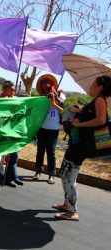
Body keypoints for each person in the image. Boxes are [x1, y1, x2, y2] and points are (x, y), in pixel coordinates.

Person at [52, 76, 111, 221]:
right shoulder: (95, 101)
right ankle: (67, 204)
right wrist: (76, 109)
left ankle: (72, 211)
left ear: (100, 87)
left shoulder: (99, 100)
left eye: (93, 85)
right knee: (66, 174)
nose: (90, 87)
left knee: (68, 175)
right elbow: (85, 113)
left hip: (82, 146)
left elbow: (101, 120)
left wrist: (79, 124)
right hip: (78, 145)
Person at [32, 74, 63, 184]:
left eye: (49, 82)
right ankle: (38, 171)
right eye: (44, 82)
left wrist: (56, 98)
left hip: (54, 129)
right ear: (42, 85)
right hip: (42, 127)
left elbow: (64, 109)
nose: (47, 84)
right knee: (40, 150)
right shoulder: (40, 96)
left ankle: (51, 174)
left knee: (51, 152)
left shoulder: (60, 95)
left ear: (53, 84)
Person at [1, 81, 24, 187]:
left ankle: (12, 177)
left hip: (13, 130)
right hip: (3, 131)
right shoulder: (1, 99)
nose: (13, 92)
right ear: (4, 90)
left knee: (14, 155)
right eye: (11, 90)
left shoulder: (15, 99)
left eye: (14, 90)